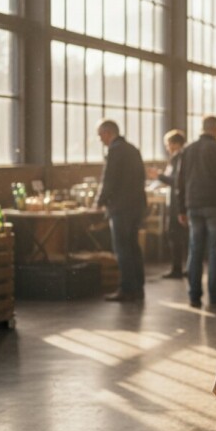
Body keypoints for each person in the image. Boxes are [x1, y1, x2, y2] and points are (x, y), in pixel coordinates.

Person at [176, 116, 216, 309]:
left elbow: (180, 181)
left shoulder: (187, 150)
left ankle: (194, 296)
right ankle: (215, 295)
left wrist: (181, 208)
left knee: (195, 250)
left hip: (193, 206)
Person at [95, 120, 147, 302]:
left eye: (101, 135)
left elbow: (109, 179)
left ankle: (126, 289)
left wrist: (99, 201)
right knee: (133, 246)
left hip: (120, 208)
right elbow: (142, 177)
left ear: (108, 133)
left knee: (122, 248)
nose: (100, 140)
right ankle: (138, 287)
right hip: (136, 207)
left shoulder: (115, 151)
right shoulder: (133, 149)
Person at [148, 130, 188, 279]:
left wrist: (158, 176)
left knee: (176, 234)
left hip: (177, 204)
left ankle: (178, 268)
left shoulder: (179, 159)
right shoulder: (175, 159)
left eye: (168, 144)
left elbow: (176, 181)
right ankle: (178, 267)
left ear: (175, 143)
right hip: (175, 201)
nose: (167, 147)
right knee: (176, 235)